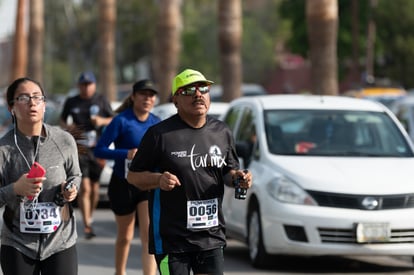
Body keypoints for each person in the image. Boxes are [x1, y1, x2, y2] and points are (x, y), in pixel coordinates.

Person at [127, 69, 252, 275]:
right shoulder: (159, 135)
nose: (198, 94)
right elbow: (133, 176)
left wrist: (239, 178)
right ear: (176, 100)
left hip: (211, 237)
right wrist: (158, 179)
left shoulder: (222, 132)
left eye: (203, 88)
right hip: (172, 241)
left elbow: (229, 172)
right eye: (189, 90)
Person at [0, 77, 82, 275]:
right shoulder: (3, 149)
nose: (32, 103)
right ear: (12, 108)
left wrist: (71, 189)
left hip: (60, 241)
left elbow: (76, 174)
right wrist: (15, 189)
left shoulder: (64, 140)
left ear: (44, 105)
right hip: (17, 243)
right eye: (24, 97)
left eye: (37, 97)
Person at [94, 79, 160, 275]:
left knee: (149, 237)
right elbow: (100, 150)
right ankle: (119, 272)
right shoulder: (121, 120)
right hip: (122, 184)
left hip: (147, 184)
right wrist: (125, 153)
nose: (147, 98)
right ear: (133, 97)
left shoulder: (157, 122)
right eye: (143, 94)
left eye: (151, 95)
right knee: (125, 236)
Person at [60, 71, 113, 239]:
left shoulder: (101, 100)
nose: (86, 87)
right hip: (80, 148)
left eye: (89, 84)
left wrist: (102, 121)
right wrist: (69, 128)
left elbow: (113, 119)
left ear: (94, 85)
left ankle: (90, 216)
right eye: (83, 84)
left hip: (97, 148)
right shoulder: (72, 101)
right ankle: (88, 224)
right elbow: (62, 119)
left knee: (95, 189)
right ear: (78, 86)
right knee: (85, 188)